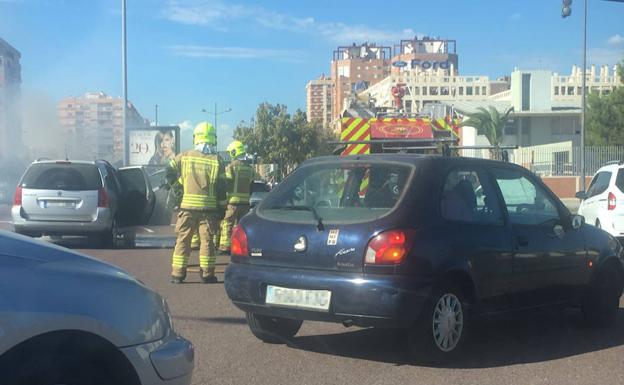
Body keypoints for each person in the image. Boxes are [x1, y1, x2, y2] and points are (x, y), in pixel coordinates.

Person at [165, 122, 226, 284]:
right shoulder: (217, 160)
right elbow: (221, 188)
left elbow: (168, 170)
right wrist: (222, 209)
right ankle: (207, 274)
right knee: (207, 241)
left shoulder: (185, 156)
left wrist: (178, 188)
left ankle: (178, 274)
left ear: (195, 138)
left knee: (183, 240)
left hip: (187, 208)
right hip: (209, 210)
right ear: (213, 139)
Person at [218, 140, 256, 254]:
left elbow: (227, 181)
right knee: (242, 226)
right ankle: (241, 247)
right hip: (245, 202)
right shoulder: (250, 168)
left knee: (227, 224)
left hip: (232, 202)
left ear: (234, 152)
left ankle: (225, 247)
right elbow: (251, 183)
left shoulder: (231, 167)